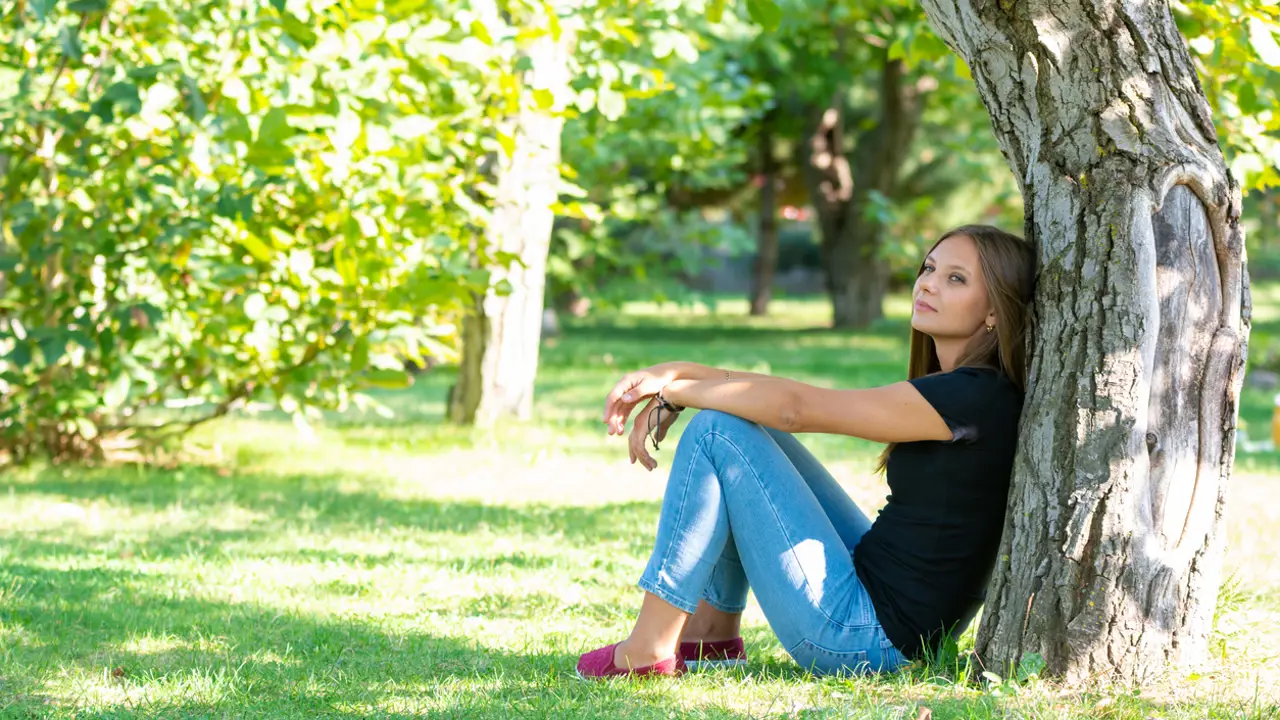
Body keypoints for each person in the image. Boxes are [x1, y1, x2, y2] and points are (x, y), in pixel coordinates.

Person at [576, 225, 1036, 679]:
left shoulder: (973, 398)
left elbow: (797, 409)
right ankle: (710, 636)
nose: (929, 282)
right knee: (742, 429)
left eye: (956, 278)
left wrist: (679, 392)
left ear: (995, 310)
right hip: (889, 614)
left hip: (862, 638)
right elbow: (784, 401)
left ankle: (648, 649)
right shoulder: (974, 392)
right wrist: (676, 373)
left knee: (716, 433)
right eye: (930, 267)